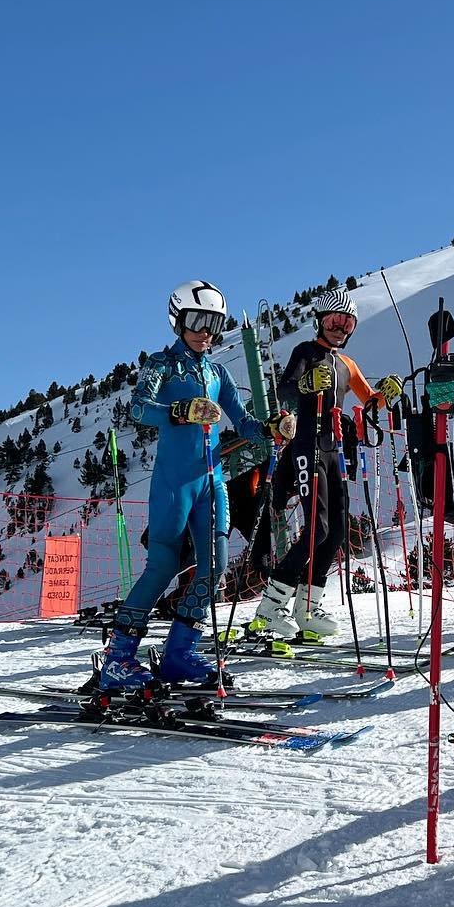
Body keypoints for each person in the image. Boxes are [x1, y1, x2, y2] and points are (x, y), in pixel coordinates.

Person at [99, 280, 295, 691]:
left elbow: (244, 423)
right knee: (162, 566)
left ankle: (179, 653)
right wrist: (180, 410)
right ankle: (118, 658)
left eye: (214, 323)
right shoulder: (162, 365)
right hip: (174, 482)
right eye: (197, 321)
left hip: (212, 481)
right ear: (178, 320)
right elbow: (139, 408)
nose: (206, 332)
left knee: (215, 565)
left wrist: (271, 428)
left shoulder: (217, 372)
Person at [251, 288, 403, 640]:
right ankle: (270, 608)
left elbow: (370, 403)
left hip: (334, 451)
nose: (340, 328)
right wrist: (306, 383)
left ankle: (308, 608)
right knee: (316, 528)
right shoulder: (306, 351)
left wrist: (385, 394)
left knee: (335, 532)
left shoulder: (347, 365)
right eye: (334, 320)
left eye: (347, 323)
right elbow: (286, 390)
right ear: (319, 321)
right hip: (307, 447)